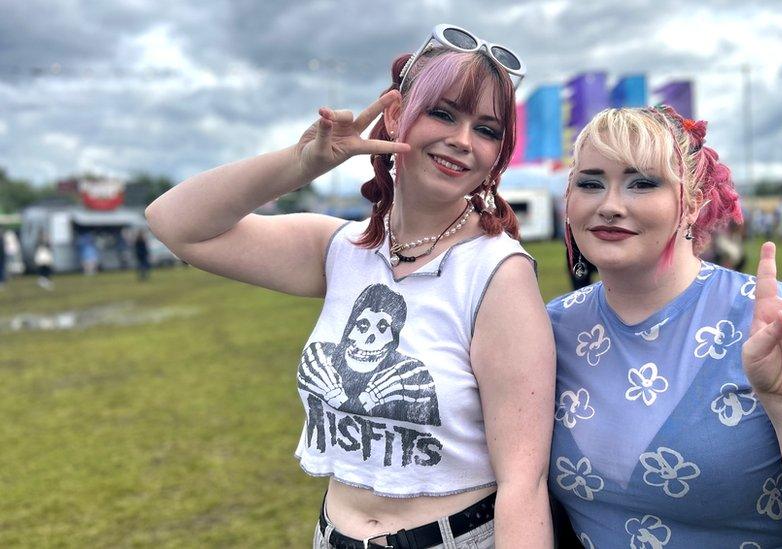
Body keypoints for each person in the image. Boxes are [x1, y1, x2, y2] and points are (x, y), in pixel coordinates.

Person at [146, 23, 554, 549]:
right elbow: (174, 224)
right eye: (443, 113)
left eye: (487, 129)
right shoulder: (341, 249)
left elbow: (524, 483)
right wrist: (305, 163)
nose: (461, 140)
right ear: (395, 115)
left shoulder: (498, 272)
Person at [548, 107, 782, 548]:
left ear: (693, 202)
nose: (610, 205)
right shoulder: (549, 329)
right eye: (590, 183)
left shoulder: (780, 324)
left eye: (643, 182)